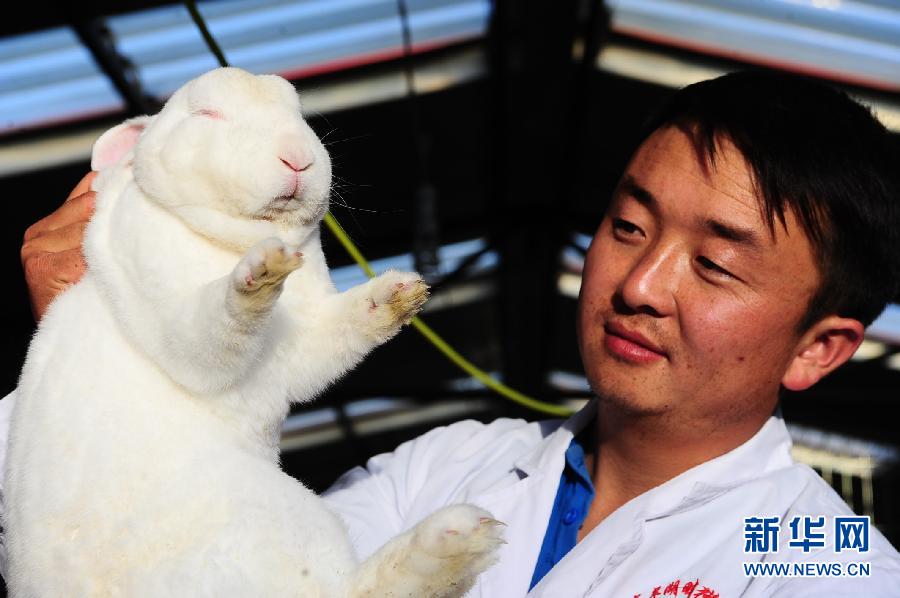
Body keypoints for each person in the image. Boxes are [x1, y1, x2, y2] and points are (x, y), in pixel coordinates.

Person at [4, 69, 900, 596]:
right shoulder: (442, 468)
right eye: (629, 225)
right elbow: (220, 567)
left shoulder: (827, 565)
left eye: (715, 266)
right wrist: (110, 357)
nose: (640, 284)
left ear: (820, 347)